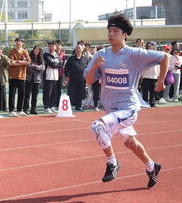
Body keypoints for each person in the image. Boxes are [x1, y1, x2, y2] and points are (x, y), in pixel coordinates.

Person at [84, 14, 169, 188]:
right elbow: (88, 80)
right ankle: (152, 166)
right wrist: (93, 67)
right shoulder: (101, 55)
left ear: (124, 35)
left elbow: (164, 57)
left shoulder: (134, 54)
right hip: (112, 110)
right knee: (130, 142)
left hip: (128, 108)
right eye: (109, 31)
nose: (111, 34)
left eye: (116, 31)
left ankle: (112, 162)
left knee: (97, 127)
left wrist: (161, 81)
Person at [64, 41, 90, 111]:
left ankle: (78, 106)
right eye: (76, 48)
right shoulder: (71, 58)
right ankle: (70, 106)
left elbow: (88, 68)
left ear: (82, 50)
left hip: (82, 79)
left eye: (79, 48)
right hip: (72, 79)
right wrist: (66, 76)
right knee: (71, 93)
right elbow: (66, 68)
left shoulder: (86, 58)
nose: (78, 49)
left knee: (80, 93)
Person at [8, 37, 30, 117]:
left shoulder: (25, 52)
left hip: (22, 76)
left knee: (22, 94)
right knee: (12, 94)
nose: (18, 43)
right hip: (13, 76)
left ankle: (19, 110)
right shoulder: (12, 51)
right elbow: (10, 62)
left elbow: (28, 62)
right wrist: (21, 62)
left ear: (22, 43)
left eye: (20, 42)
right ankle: (11, 110)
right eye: (17, 41)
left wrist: (17, 62)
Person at [24, 45, 45, 115]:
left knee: (35, 95)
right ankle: (25, 109)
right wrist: (36, 69)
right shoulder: (29, 57)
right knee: (27, 94)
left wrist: (35, 66)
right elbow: (28, 67)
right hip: (29, 78)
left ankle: (33, 109)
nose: (36, 51)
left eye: (38, 50)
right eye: (35, 49)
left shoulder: (41, 59)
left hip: (37, 79)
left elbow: (42, 68)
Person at [42, 41, 62, 113]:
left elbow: (60, 63)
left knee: (54, 92)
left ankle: (52, 106)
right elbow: (53, 64)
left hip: (55, 76)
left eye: (53, 46)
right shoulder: (46, 55)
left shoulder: (56, 54)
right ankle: (46, 107)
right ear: (48, 46)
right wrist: (55, 64)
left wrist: (55, 64)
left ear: (55, 47)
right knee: (47, 92)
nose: (51, 47)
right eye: (50, 46)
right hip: (48, 75)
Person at [141, 42, 160, 107]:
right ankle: (145, 102)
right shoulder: (145, 58)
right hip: (146, 75)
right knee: (145, 90)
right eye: (149, 48)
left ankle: (152, 102)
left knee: (153, 90)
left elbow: (158, 67)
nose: (151, 49)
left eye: (152, 48)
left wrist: (158, 75)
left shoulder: (156, 58)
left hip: (154, 76)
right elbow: (142, 67)